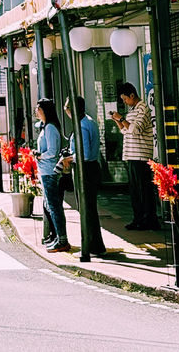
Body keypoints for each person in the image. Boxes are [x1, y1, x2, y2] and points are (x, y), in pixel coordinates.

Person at [112, 82, 160, 231]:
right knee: (135, 191)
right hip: (132, 155)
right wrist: (118, 122)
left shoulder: (143, 108)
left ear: (132, 95)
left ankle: (149, 219)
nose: (125, 102)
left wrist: (121, 119)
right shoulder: (133, 109)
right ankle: (138, 218)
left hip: (141, 155)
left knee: (144, 190)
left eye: (125, 99)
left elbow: (136, 129)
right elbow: (127, 131)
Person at [63, 96, 106, 256]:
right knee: (89, 208)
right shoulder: (90, 121)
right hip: (91, 168)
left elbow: (85, 154)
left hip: (85, 169)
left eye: (67, 109)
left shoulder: (81, 126)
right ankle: (95, 245)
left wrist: (69, 158)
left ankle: (90, 246)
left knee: (86, 209)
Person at [35, 98, 70, 253]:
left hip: (50, 171)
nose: (36, 111)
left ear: (44, 111)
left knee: (54, 207)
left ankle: (62, 239)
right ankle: (57, 237)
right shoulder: (45, 127)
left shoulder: (50, 128)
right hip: (46, 171)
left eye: (38, 108)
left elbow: (52, 151)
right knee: (50, 206)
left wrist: (39, 155)